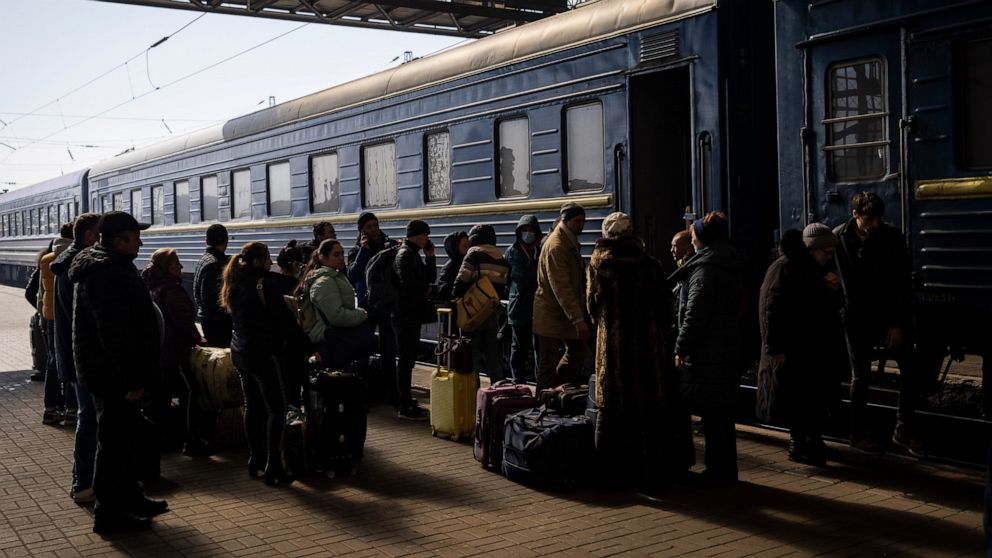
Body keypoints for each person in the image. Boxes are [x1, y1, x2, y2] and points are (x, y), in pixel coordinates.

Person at [68, 211, 168, 533]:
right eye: (135, 236)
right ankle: (108, 513)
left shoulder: (112, 265)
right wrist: (132, 379)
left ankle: (131, 497)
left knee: (123, 441)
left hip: (114, 373)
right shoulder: (104, 273)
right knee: (113, 445)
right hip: (112, 376)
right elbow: (114, 333)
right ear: (119, 241)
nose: (141, 241)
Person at [587, 212, 690, 493]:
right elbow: (665, 306)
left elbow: (592, 309)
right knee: (651, 416)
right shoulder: (649, 265)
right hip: (647, 348)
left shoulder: (597, 265)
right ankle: (654, 477)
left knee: (608, 414)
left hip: (613, 350)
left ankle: (607, 476)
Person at [834, 192, 925, 455]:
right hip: (855, 319)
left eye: (877, 220)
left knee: (911, 368)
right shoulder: (838, 237)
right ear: (855, 215)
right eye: (868, 220)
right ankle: (857, 433)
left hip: (887, 318)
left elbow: (901, 284)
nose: (874, 224)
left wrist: (897, 323)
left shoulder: (892, 237)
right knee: (860, 376)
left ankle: (903, 428)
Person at [756, 225, 846, 466]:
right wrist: (774, 347)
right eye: (825, 252)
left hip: (813, 347)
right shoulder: (784, 268)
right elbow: (769, 309)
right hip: (794, 347)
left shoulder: (815, 269)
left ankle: (814, 441)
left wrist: (833, 289)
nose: (829, 257)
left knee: (813, 397)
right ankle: (798, 444)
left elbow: (830, 307)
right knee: (797, 398)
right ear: (812, 249)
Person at [670, 210, 746, 484]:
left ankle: (718, 471)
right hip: (725, 345)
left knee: (713, 414)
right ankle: (725, 468)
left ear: (703, 238)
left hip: (708, 352)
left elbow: (694, 314)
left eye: (692, 236)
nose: (691, 241)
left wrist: (680, 346)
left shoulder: (705, 269)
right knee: (721, 414)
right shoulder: (728, 261)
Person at [221, 241, 297, 485]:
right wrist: (307, 346)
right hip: (263, 354)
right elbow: (284, 320)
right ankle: (274, 465)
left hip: (240, 352)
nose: (271, 262)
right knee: (277, 408)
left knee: (252, 406)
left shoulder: (236, 282)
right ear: (256, 261)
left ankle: (255, 459)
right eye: (267, 258)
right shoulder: (264, 284)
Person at [141, 248, 213, 457]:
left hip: (160, 352)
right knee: (189, 393)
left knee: (162, 397)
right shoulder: (171, 290)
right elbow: (183, 321)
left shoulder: (152, 286)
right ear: (166, 267)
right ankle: (191, 440)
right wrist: (196, 339)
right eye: (176, 264)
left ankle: (164, 438)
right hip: (174, 354)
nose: (181, 267)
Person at [51, 212, 101, 504]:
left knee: (88, 418)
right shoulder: (79, 266)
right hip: (85, 356)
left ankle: (84, 480)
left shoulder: (66, 261)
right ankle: (83, 482)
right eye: (100, 234)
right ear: (89, 236)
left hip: (75, 354)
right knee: (89, 420)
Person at [533, 203, 589, 391]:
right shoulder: (557, 245)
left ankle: (554, 392)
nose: (582, 225)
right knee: (548, 362)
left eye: (583, 221)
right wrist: (578, 318)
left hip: (560, 312)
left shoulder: (568, 241)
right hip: (551, 313)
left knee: (576, 354)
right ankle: (543, 399)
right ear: (566, 221)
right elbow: (561, 286)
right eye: (577, 221)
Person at [347, 212, 399, 403]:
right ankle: (362, 394)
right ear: (362, 230)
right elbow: (353, 275)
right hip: (366, 306)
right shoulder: (356, 251)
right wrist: (364, 250)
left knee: (389, 351)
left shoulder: (389, 245)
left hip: (386, 303)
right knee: (363, 349)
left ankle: (391, 393)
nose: (373, 229)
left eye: (375, 225)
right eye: (368, 227)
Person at [453, 224, 510, 382]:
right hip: (491, 312)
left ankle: (473, 393)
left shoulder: (473, 255)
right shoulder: (501, 259)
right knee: (493, 355)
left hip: (473, 311)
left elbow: (462, 279)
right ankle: (498, 390)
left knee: (472, 356)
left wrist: (456, 296)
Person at [306, 239, 376, 367]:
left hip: (336, 338)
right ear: (323, 257)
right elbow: (336, 317)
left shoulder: (334, 277)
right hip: (330, 341)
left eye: (342, 254)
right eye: (336, 254)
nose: (340, 258)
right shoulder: (324, 282)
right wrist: (362, 314)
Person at [392, 220, 436, 419]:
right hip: (405, 314)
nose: (427, 238)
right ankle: (404, 404)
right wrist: (423, 288)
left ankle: (406, 401)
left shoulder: (412, 254)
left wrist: (430, 257)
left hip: (410, 313)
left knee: (408, 358)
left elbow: (430, 277)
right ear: (417, 235)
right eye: (425, 235)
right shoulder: (405, 255)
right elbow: (408, 283)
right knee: (406, 359)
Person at [40, 229, 75, 425]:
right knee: (70, 361)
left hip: (50, 316)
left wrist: (42, 315)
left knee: (53, 363)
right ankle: (71, 409)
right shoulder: (74, 258)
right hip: (67, 316)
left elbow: (39, 292)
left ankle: (50, 408)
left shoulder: (47, 259)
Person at [504, 215, 542, 385]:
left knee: (539, 348)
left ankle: (540, 382)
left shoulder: (539, 251)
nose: (528, 234)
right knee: (519, 346)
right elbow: (506, 280)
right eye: (525, 231)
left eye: (531, 231)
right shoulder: (511, 252)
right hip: (518, 306)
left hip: (538, 305)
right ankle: (517, 382)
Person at [273, 240, 309, 408]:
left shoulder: (271, 285)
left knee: (286, 389)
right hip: (295, 345)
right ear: (295, 264)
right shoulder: (295, 287)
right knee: (297, 387)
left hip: (279, 345)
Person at [194, 224, 232, 348]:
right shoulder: (214, 264)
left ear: (206, 241)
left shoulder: (205, 259)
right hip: (216, 321)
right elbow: (210, 299)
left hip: (208, 318)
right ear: (226, 241)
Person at [437, 231, 468, 301]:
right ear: (455, 248)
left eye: (468, 245)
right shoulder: (448, 269)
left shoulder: (468, 263)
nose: (468, 249)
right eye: (464, 246)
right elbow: (444, 293)